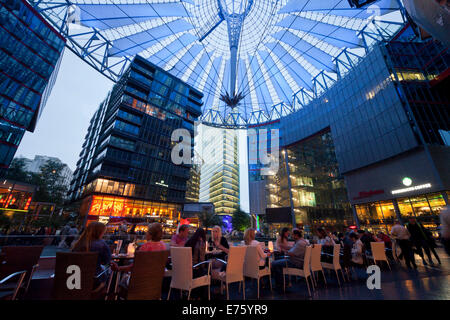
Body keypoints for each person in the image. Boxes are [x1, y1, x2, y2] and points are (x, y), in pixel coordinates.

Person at [72, 222, 112, 287]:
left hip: (73, 280)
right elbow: (106, 261)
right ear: (100, 232)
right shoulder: (102, 245)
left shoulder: (78, 243)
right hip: (93, 281)